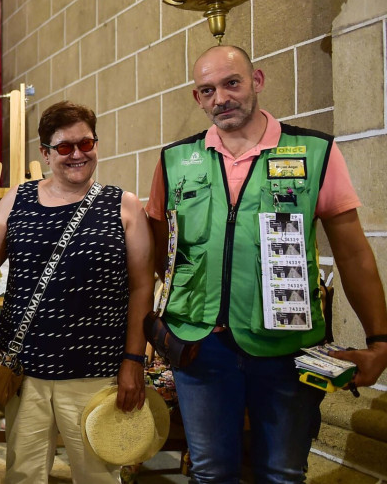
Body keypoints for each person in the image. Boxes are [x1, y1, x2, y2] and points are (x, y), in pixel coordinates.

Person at [145, 45, 387, 482]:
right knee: (210, 472)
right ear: (197, 98)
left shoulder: (314, 152)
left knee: (282, 471)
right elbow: (162, 253)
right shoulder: (175, 160)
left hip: (285, 348)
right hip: (200, 348)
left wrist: (380, 339)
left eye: (231, 83)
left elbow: (353, 254)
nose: (221, 98)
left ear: (256, 81)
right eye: (207, 90)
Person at [0, 101, 154, 483]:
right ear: (46, 153)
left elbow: (141, 286)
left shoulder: (124, 206)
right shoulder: (17, 199)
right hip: (25, 371)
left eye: (86, 143)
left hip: (94, 370)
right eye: (65, 147)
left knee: (98, 476)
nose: (78, 155)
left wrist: (133, 359)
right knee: (23, 475)